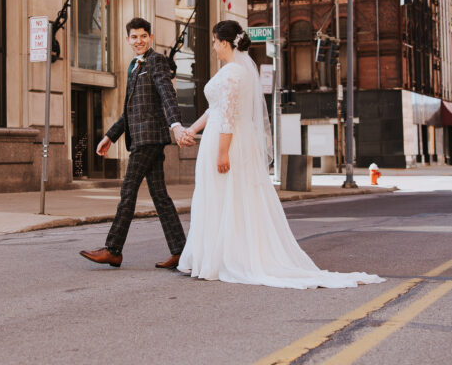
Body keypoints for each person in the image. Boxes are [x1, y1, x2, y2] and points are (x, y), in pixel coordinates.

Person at [175, 20, 385, 289]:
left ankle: (223, 258)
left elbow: (228, 116)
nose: (214, 47)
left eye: (215, 41)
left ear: (225, 43)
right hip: (222, 138)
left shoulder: (232, 74)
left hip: (226, 142)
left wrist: (223, 152)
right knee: (227, 198)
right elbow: (214, 109)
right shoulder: (237, 71)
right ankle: (218, 255)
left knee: (223, 197)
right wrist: (192, 129)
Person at [79, 18, 192, 269]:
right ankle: (181, 251)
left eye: (143, 36)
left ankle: (113, 249)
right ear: (128, 39)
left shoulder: (156, 61)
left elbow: (167, 94)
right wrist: (110, 136)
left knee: (128, 191)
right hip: (142, 138)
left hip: (149, 138)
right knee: (160, 196)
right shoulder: (134, 66)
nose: (139, 41)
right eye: (134, 37)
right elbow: (130, 111)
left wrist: (175, 125)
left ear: (150, 37)